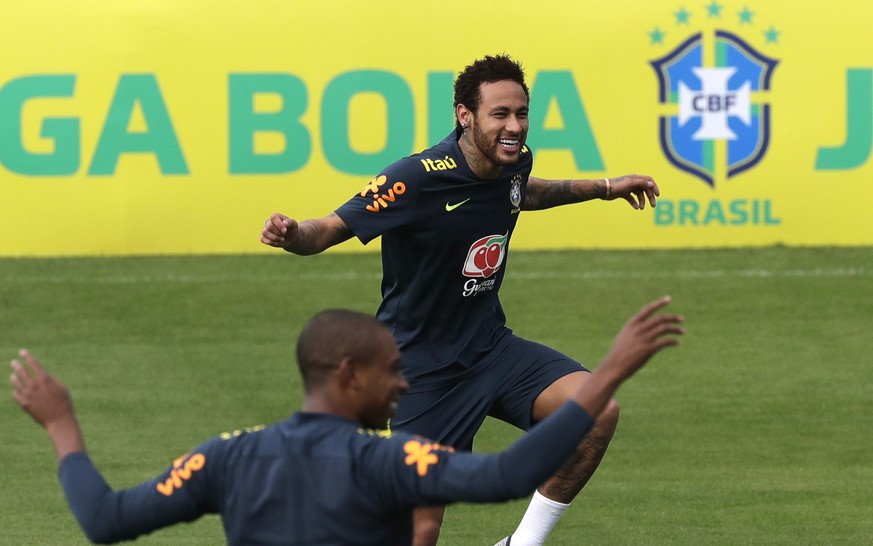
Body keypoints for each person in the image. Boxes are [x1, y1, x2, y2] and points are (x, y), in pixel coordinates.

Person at [260, 54, 662, 545]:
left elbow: (524, 193)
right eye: (500, 115)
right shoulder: (416, 177)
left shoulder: (513, 161)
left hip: (492, 348)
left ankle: (521, 543)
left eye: (521, 113)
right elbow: (328, 230)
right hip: (423, 370)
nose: (514, 126)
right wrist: (292, 232)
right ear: (465, 115)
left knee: (598, 412)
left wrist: (603, 187)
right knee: (419, 530)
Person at [11, 302, 683, 545]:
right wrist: (607, 376)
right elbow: (508, 473)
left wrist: (62, 425)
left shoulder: (224, 459)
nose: (404, 381)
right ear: (347, 375)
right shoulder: (385, 463)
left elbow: (103, 521)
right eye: (392, 369)